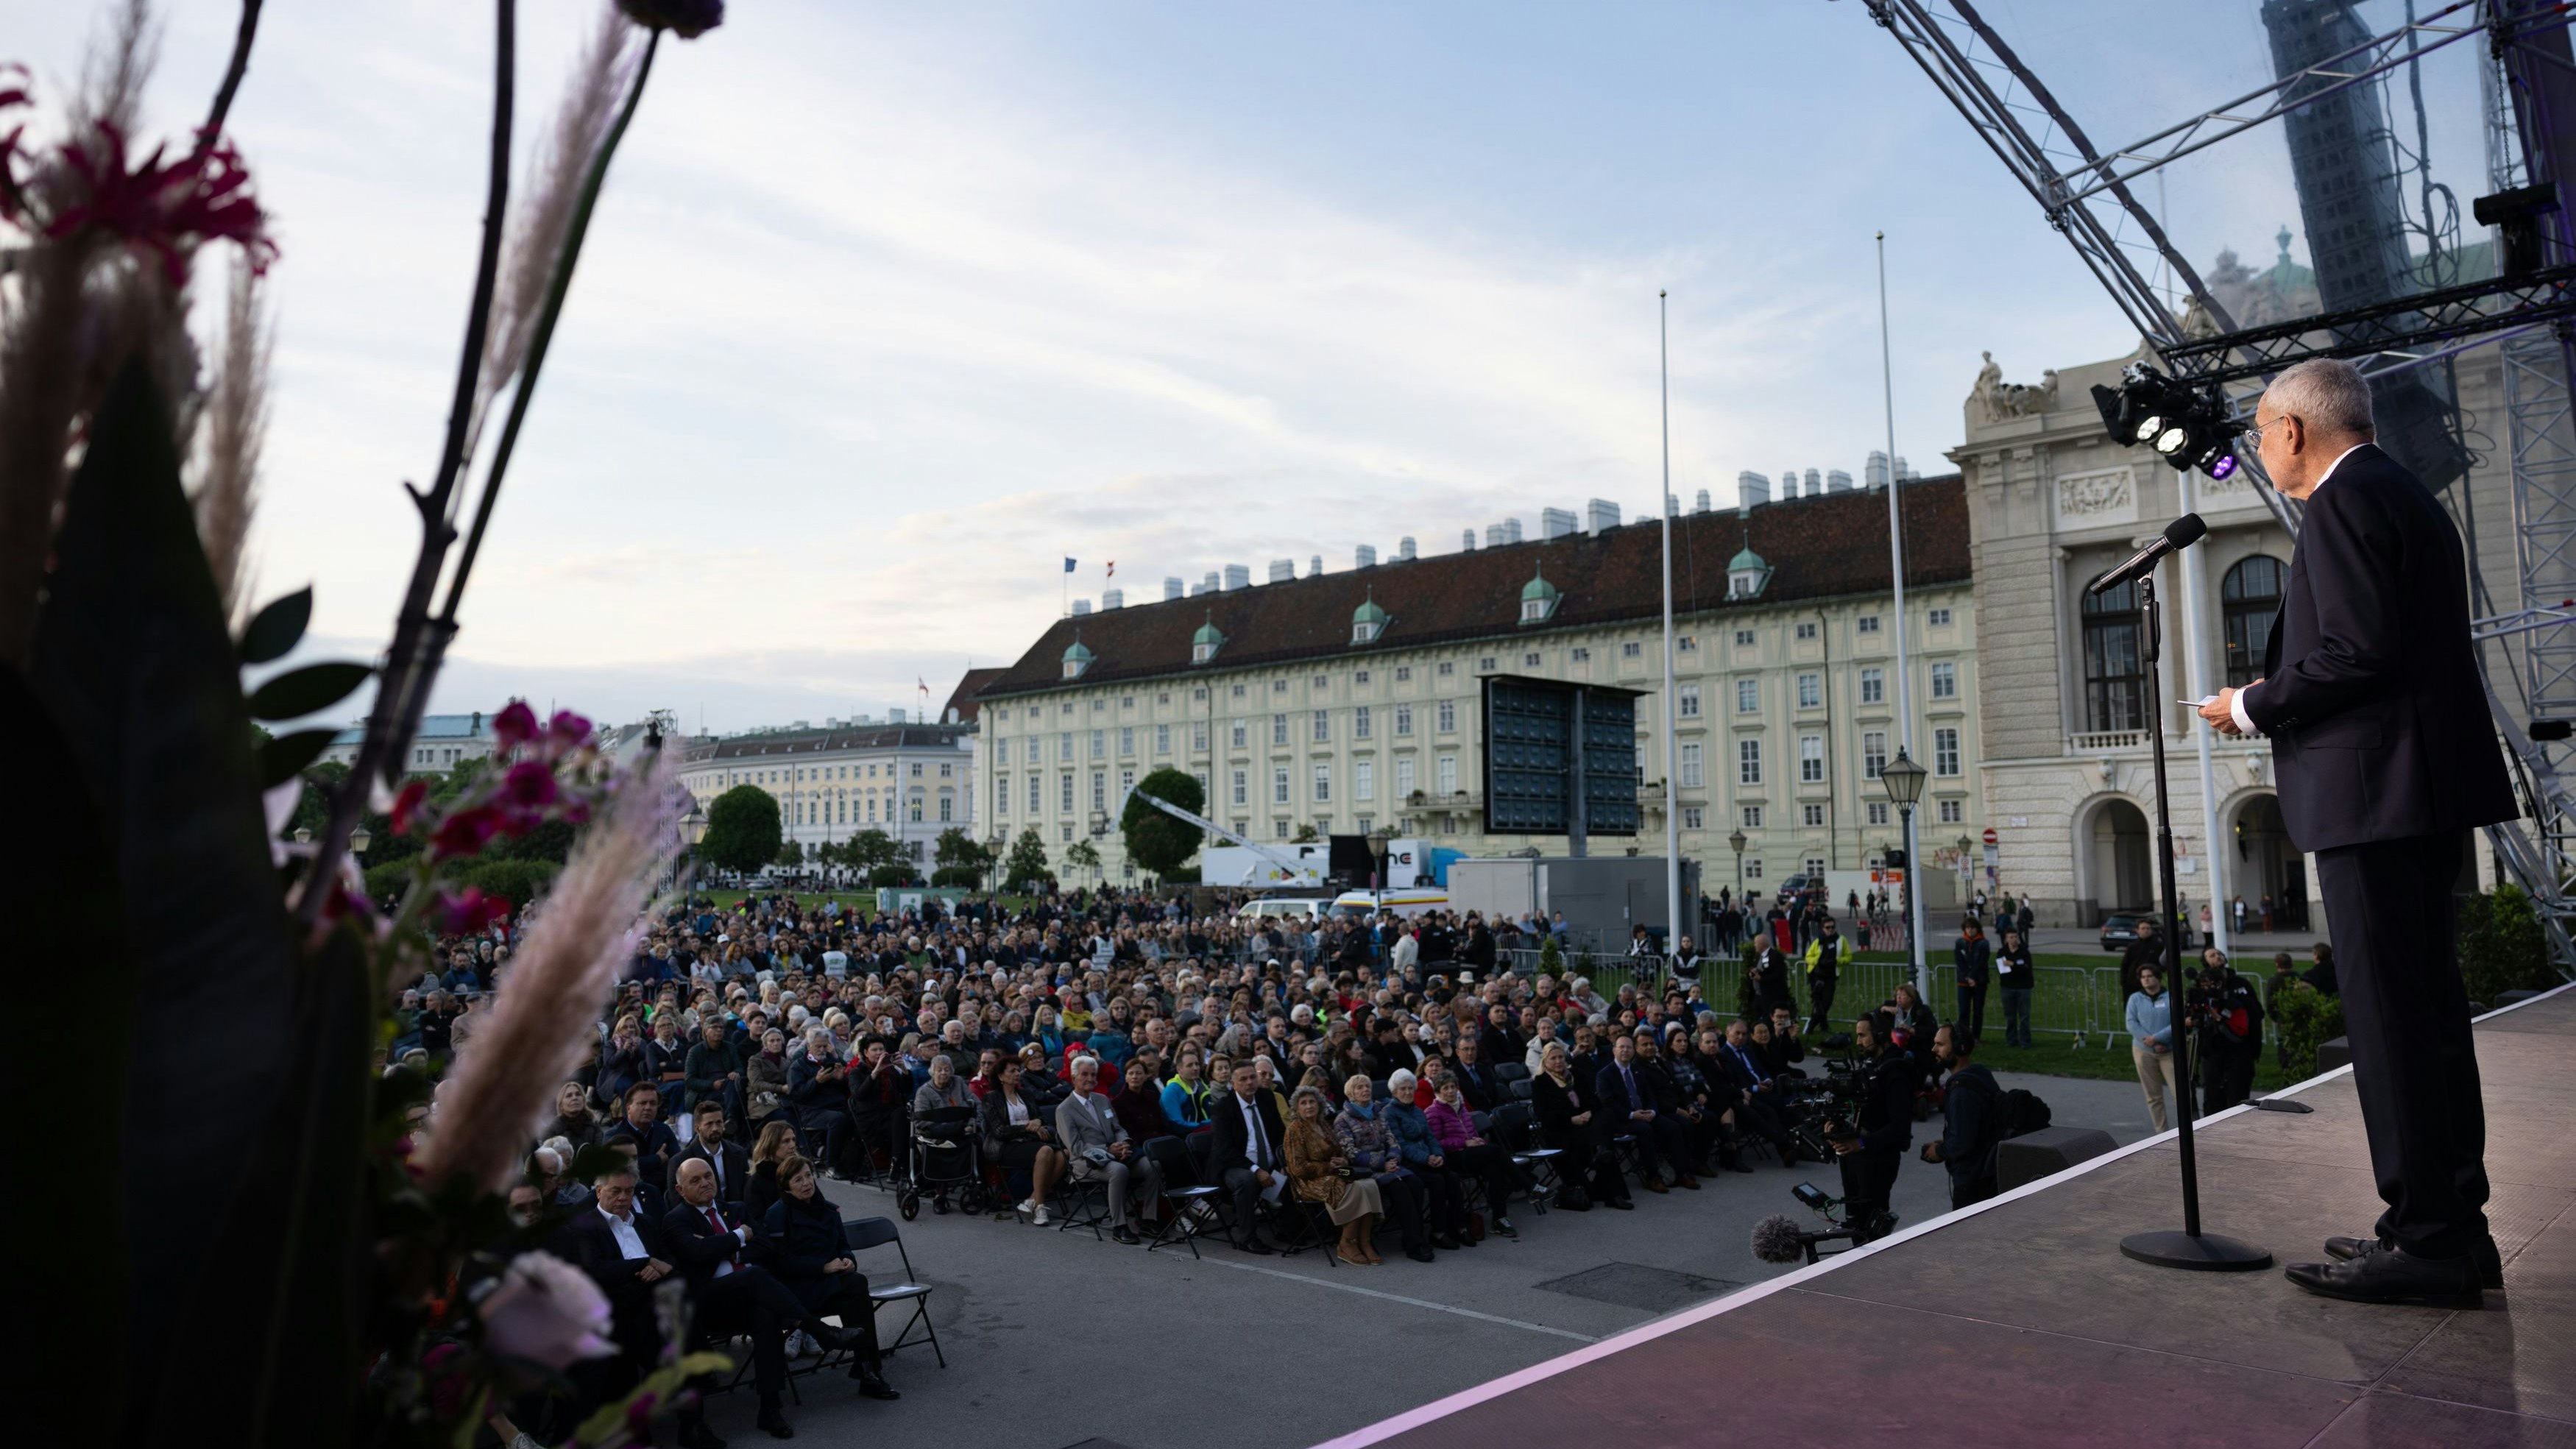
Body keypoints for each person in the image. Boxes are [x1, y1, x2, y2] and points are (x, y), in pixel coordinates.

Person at [2200, 358, 2513, 1306]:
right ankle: (2447, 1226)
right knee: (2427, 1019)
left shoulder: (2339, 504)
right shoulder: (2405, 494)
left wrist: (2246, 704)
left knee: (2388, 1026)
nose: (2257, 449)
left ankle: (2423, 1239)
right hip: (2416, 792)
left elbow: (2354, 652)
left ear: (2293, 430)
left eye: (2260, 432)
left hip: (2370, 797)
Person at [662, 1156, 849, 1439]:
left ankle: (770, 1408)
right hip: (710, 1303)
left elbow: (765, 1247)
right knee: (755, 1277)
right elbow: (695, 1254)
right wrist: (739, 1235)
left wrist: (725, 1247)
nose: (705, 1183)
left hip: (749, 1297)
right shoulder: (676, 1220)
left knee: (766, 1313)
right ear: (680, 1190)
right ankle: (819, 1329)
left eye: (708, 1175)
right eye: (695, 1180)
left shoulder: (734, 1208)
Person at [566, 1163, 722, 1449]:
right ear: (599, 1191)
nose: (624, 1198)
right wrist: (644, 1264)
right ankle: (692, 1422)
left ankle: (691, 1423)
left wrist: (656, 1268)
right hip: (617, 1313)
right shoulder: (585, 1227)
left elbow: (671, 1263)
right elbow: (597, 1271)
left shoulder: (646, 1223)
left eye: (629, 1191)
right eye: (616, 1191)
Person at [757, 1157, 899, 1400]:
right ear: (786, 1186)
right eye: (798, 1179)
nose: (806, 1183)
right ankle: (866, 1367)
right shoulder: (777, 1215)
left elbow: (843, 1245)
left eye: (808, 1175)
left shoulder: (828, 1210)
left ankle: (867, 1370)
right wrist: (822, 1267)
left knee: (857, 1285)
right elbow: (779, 1264)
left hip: (830, 1283)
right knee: (855, 1295)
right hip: (798, 1290)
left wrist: (848, 1260)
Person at [1056, 1055, 1162, 1245]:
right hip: (1085, 1162)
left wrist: (1124, 1144)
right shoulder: (1065, 1109)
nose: (1090, 1078)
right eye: (1084, 1074)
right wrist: (1107, 1150)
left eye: (1093, 1074)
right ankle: (1119, 1226)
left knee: (1153, 1165)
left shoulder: (1103, 1100)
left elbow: (1117, 1128)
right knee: (1119, 1171)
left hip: (1115, 1155)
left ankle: (1148, 1219)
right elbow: (1076, 1147)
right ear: (1073, 1078)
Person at [1832, 1013, 1913, 1241]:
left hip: (1878, 1160)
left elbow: (1900, 1127)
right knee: (1857, 1222)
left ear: (1878, 1035)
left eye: (1862, 1035)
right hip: (1861, 1158)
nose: (1858, 1042)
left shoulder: (1896, 1072)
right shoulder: (1873, 1066)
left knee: (1871, 1227)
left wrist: (1860, 1143)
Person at [1336, 1075, 1434, 1261]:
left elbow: (1392, 1141)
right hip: (1367, 1170)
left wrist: (1392, 1159)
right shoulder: (1343, 1120)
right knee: (1400, 1189)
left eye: (1367, 1086)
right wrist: (1382, 1163)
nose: (1365, 1090)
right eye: (1359, 1088)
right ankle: (1415, 1245)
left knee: (1415, 1183)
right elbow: (1351, 1153)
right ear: (1351, 1094)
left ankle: (1414, 1237)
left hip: (1389, 1165)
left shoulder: (1378, 1113)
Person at [1286, 1084, 1384, 1266]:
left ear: (1319, 1105)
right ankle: (1346, 1243)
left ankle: (1365, 1241)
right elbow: (1297, 1169)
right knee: (1351, 1187)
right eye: (1304, 1103)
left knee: (1368, 1182)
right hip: (1310, 1180)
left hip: (1336, 1171)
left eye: (1312, 1102)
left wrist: (1343, 1161)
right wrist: (1327, 1166)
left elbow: (1340, 1152)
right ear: (1297, 1108)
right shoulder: (1294, 1130)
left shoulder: (1324, 1125)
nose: (1309, 1106)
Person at [1531, 1039, 1630, 1210]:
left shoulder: (1576, 1074)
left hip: (1586, 1124)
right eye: (1553, 1058)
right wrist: (1571, 1120)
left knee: (1605, 1115)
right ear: (1545, 1061)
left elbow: (1594, 1101)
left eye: (1561, 1057)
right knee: (1604, 1146)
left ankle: (1601, 1153)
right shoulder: (1540, 1082)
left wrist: (1589, 1113)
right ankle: (1614, 1195)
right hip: (1562, 1130)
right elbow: (1544, 1116)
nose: (1558, 1061)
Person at [1593, 1032, 1697, 1194]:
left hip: (1645, 1114)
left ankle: (1682, 1172)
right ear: (1614, 1050)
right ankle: (1653, 1176)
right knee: (1645, 1130)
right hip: (1624, 1119)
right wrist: (1632, 1115)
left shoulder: (1637, 1070)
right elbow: (1609, 1103)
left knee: (1673, 1127)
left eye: (1629, 1048)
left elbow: (1650, 1096)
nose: (1625, 1051)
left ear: (1633, 1050)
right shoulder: (1604, 1074)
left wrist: (1653, 1112)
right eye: (1621, 1047)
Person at [1206, 1059, 1290, 1254]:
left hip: (1269, 1162)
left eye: (1253, 1077)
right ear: (1233, 1083)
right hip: (1235, 1165)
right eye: (1243, 1079)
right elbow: (1224, 1150)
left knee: (1293, 1173)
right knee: (1247, 1180)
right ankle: (1247, 1238)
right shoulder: (1223, 1108)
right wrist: (1256, 1170)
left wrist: (1282, 1162)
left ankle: (1287, 1229)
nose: (1250, 1082)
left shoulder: (1267, 1098)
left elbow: (1279, 1134)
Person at [1423, 1070, 1518, 1237]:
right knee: (1495, 1150)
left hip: (1470, 1154)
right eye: (1446, 1088)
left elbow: (1472, 1132)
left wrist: (1477, 1140)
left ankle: (1500, 1219)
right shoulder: (1433, 1112)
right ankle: (1528, 1185)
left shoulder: (1461, 1108)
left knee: (1494, 1170)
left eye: (1453, 1087)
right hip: (1452, 1158)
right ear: (1438, 1091)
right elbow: (1436, 1143)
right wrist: (1465, 1143)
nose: (1451, 1091)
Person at [1920, 1024, 2000, 1211]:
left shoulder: (1961, 1091)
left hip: (1972, 1182)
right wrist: (1946, 1142)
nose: (1934, 1050)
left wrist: (1939, 1152)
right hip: (1986, 1174)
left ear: (1959, 1048)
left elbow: (1962, 1143)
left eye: (1940, 1044)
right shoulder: (1979, 1074)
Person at [2126, 965, 2180, 1133]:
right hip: (2144, 1051)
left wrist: (2158, 1038)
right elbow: (2131, 1023)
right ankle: (2161, 1132)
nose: (2146, 979)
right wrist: (2149, 1041)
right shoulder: (2135, 999)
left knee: (2179, 1093)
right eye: (2143, 977)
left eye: (2150, 976)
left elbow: (2177, 1020)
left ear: (2158, 977)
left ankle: (2187, 1129)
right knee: (2153, 1096)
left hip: (2168, 1051)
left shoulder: (2171, 996)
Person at [673, 1099, 749, 1211]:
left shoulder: (738, 1153)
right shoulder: (681, 1162)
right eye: (709, 1124)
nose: (715, 1128)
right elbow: (677, 1203)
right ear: (697, 1128)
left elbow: (745, 1192)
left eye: (719, 1122)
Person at [743, 1118, 796, 1228]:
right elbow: (758, 1221)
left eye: (793, 1140)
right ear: (771, 1144)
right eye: (786, 1141)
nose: (792, 1145)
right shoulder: (756, 1182)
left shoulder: (800, 1170)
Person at [1801, 918, 1844, 1034]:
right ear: (1823, 929)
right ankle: (1824, 1027)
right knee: (1818, 1003)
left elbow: (1848, 956)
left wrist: (1837, 961)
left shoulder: (1841, 940)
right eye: (1828, 927)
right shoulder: (1818, 941)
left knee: (1827, 1001)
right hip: (1816, 976)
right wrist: (1818, 961)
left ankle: (1811, 1024)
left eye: (1832, 927)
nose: (1831, 930)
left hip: (1830, 976)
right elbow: (1808, 957)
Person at [1993, 928, 2035, 1049]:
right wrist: (2017, 967)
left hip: (2023, 988)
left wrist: (2013, 965)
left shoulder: (2024, 952)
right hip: (2008, 987)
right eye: (2011, 937)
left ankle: (2025, 1041)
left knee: (2024, 1016)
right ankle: (2011, 1039)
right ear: (2006, 939)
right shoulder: (2002, 952)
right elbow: (2002, 970)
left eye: (2016, 937)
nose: (2014, 939)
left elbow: (2026, 969)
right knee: (2010, 1016)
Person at [1952, 919, 1991, 1046]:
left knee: (1978, 1010)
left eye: (1973, 928)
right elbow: (1960, 961)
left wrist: (1973, 977)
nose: (1970, 930)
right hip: (1964, 982)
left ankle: (1975, 1037)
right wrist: (1968, 978)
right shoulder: (1960, 942)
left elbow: (1982, 962)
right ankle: (1963, 1036)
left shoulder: (1984, 943)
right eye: (1968, 928)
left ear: (1977, 929)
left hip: (1979, 981)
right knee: (1964, 1010)